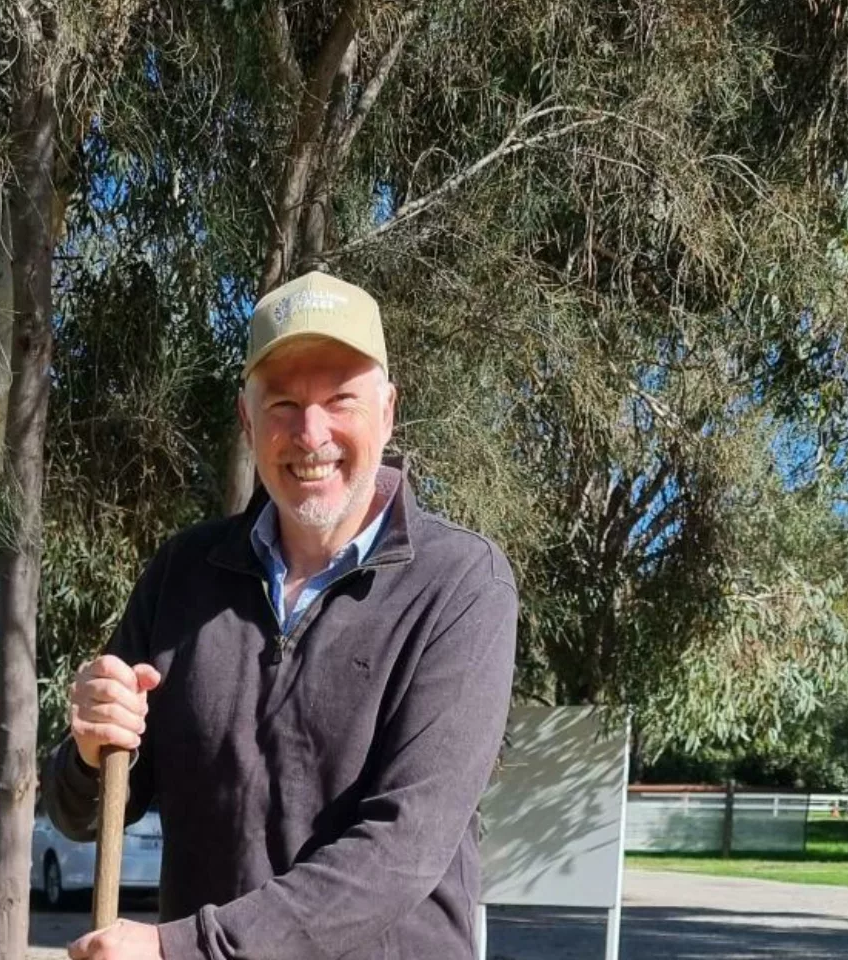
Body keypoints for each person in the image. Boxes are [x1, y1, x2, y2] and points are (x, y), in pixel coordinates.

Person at [43, 272, 518, 960]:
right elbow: (81, 811)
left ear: (387, 412)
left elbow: (401, 848)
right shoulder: (183, 573)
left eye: (340, 400)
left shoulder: (461, 585)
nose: (310, 432)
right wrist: (89, 753)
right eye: (285, 403)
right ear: (247, 419)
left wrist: (184, 951)